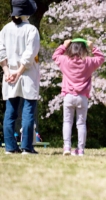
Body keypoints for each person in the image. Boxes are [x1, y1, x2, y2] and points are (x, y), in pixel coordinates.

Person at [52, 38, 105, 156]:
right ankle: (80, 149)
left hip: (68, 96)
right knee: (81, 123)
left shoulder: (65, 60)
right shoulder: (88, 62)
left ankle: (67, 147)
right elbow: (101, 58)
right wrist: (93, 47)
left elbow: (55, 56)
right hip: (82, 97)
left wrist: (63, 46)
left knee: (67, 122)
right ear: (84, 49)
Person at [0, 0, 40, 155]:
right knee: (28, 111)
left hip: (10, 76)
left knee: (10, 112)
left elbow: (1, 51)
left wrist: (7, 71)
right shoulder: (31, 30)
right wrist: (20, 71)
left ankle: (10, 147)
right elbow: (30, 54)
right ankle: (27, 147)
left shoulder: (5, 29)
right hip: (27, 75)